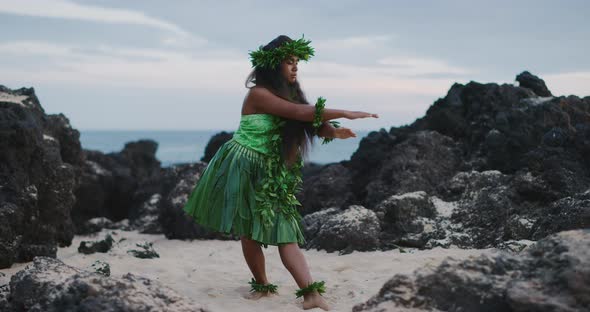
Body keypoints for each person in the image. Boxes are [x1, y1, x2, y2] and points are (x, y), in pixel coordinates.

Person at [182, 34, 378, 311]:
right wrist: (345, 111)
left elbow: (306, 120)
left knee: (285, 228)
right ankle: (263, 285)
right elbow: (298, 113)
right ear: (273, 65)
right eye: (289, 62)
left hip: (272, 169)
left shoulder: (290, 94)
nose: (295, 67)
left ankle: (310, 292)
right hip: (245, 163)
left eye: (297, 62)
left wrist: (333, 131)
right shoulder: (259, 94)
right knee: (249, 229)